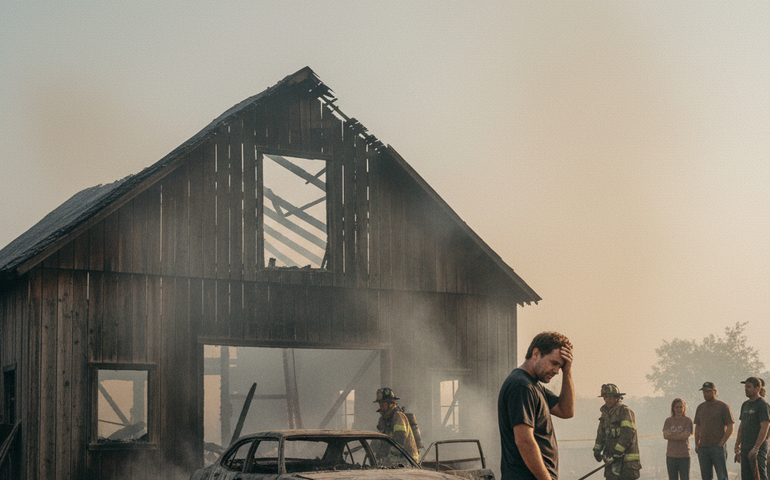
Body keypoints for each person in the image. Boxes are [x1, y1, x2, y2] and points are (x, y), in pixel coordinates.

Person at [497, 331, 574, 480]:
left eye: (561, 366)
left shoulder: (534, 386)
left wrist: (568, 371)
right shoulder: (521, 386)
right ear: (536, 353)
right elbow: (524, 441)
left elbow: (566, 411)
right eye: (554, 363)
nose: (557, 371)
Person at [593, 384, 641, 480]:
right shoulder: (605, 414)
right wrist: (597, 450)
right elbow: (601, 434)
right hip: (611, 461)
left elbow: (627, 434)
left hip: (627, 464)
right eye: (605, 397)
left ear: (617, 398)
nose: (607, 400)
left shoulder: (625, 412)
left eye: (610, 397)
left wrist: (618, 451)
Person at [694, 381, 734, 480]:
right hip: (703, 448)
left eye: (708, 391)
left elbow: (730, 426)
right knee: (706, 477)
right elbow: (697, 427)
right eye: (704, 392)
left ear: (715, 392)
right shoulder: (700, 407)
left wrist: (722, 443)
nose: (706, 394)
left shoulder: (723, 406)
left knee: (722, 476)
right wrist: (696, 444)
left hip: (717, 447)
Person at [734, 377, 770, 480]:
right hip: (745, 448)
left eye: (748, 387)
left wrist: (756, 448)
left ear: (757, 388)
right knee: (746, 477)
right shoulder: (745, 405)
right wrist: (738, 446)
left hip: (758, 450)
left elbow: (765, 427)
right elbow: (742, 425)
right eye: (745, 386)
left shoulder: (763, 405)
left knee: (759, 476)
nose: (746, 389)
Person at [373, 388, 419, 463]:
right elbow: (380, 440)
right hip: (393, 460)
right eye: (379, 403)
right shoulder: (383, 419)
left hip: (407, 460)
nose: (380, 405)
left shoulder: (398, 417)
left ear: (390, 403)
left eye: (383, 403)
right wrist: (374, 454)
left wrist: (389, 459)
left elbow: (399, 441)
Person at [663, 398, 693, 480]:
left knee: (685, 478)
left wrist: (672, 433)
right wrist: (679, 433)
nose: (679, 409)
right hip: (671, 455)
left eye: (680, 407)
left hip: (684, 455)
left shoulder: (687, 421)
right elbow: (665, 435)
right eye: (677, 407)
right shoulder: (668, 421)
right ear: (673, 408)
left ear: (684, 408)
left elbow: (685, 436)